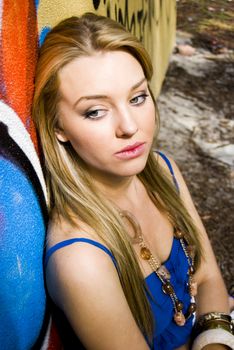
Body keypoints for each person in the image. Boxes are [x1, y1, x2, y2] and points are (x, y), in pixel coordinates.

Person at [32, 13, 234, 350]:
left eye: (137, 97)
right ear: (58, 127)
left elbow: (209, 277)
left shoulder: (162, 169)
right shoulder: (81, 258)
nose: (129, 126)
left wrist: (214, 340)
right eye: (95, 111)